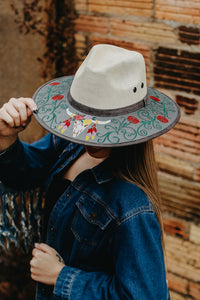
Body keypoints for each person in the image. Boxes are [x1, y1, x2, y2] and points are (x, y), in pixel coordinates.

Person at [0, 44, 180, 300]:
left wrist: (60, 276)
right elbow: (26, 172)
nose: (89, 135)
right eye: (83, 118)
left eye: (103, 125)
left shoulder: (132, 206)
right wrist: (5, 139)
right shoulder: (71, 142)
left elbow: (145, 295)